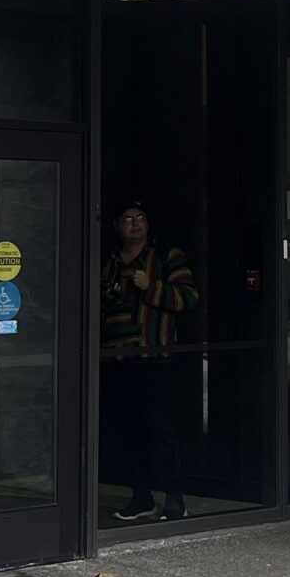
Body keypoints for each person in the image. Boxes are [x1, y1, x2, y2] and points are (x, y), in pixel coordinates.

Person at [100, 200, 198, 522]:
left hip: (155, 358)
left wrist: (151, 287)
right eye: (127, 218)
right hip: (117, 359)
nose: (135, 223)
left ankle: (174, 498)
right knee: (127, 432)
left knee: (160, 432)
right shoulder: (110, 261)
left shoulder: (167, 256)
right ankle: (140, 497)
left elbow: (189, 297)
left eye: (140, 217)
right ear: (117, 226)